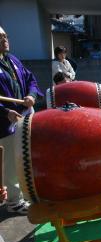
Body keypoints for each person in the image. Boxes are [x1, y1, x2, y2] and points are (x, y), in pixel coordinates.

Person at [0, 26, 42, 214]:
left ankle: (26, 194)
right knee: (10, 161)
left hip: (23, 115)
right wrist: (4, 111)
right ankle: (14, 201)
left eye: (5, 36)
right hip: (5, 122)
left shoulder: (12, 59)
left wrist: (32, 95)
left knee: (26, 158)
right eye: (0, 37)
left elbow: (30, 79)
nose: (5, 39)